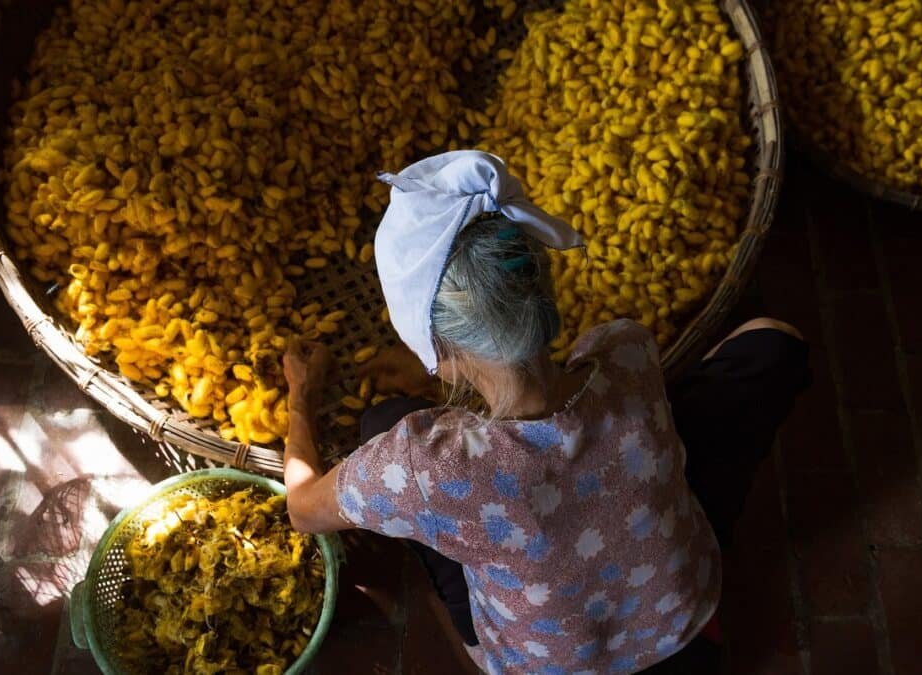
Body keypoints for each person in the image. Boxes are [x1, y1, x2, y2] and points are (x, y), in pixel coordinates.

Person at [280, 151, 810, 674]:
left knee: (379, 423)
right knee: (770, 344)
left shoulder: (424, 467)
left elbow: (303, 506)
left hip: (548, 668)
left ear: (441, 356)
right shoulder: (626, 349)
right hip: (684, 626)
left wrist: (300, 398)